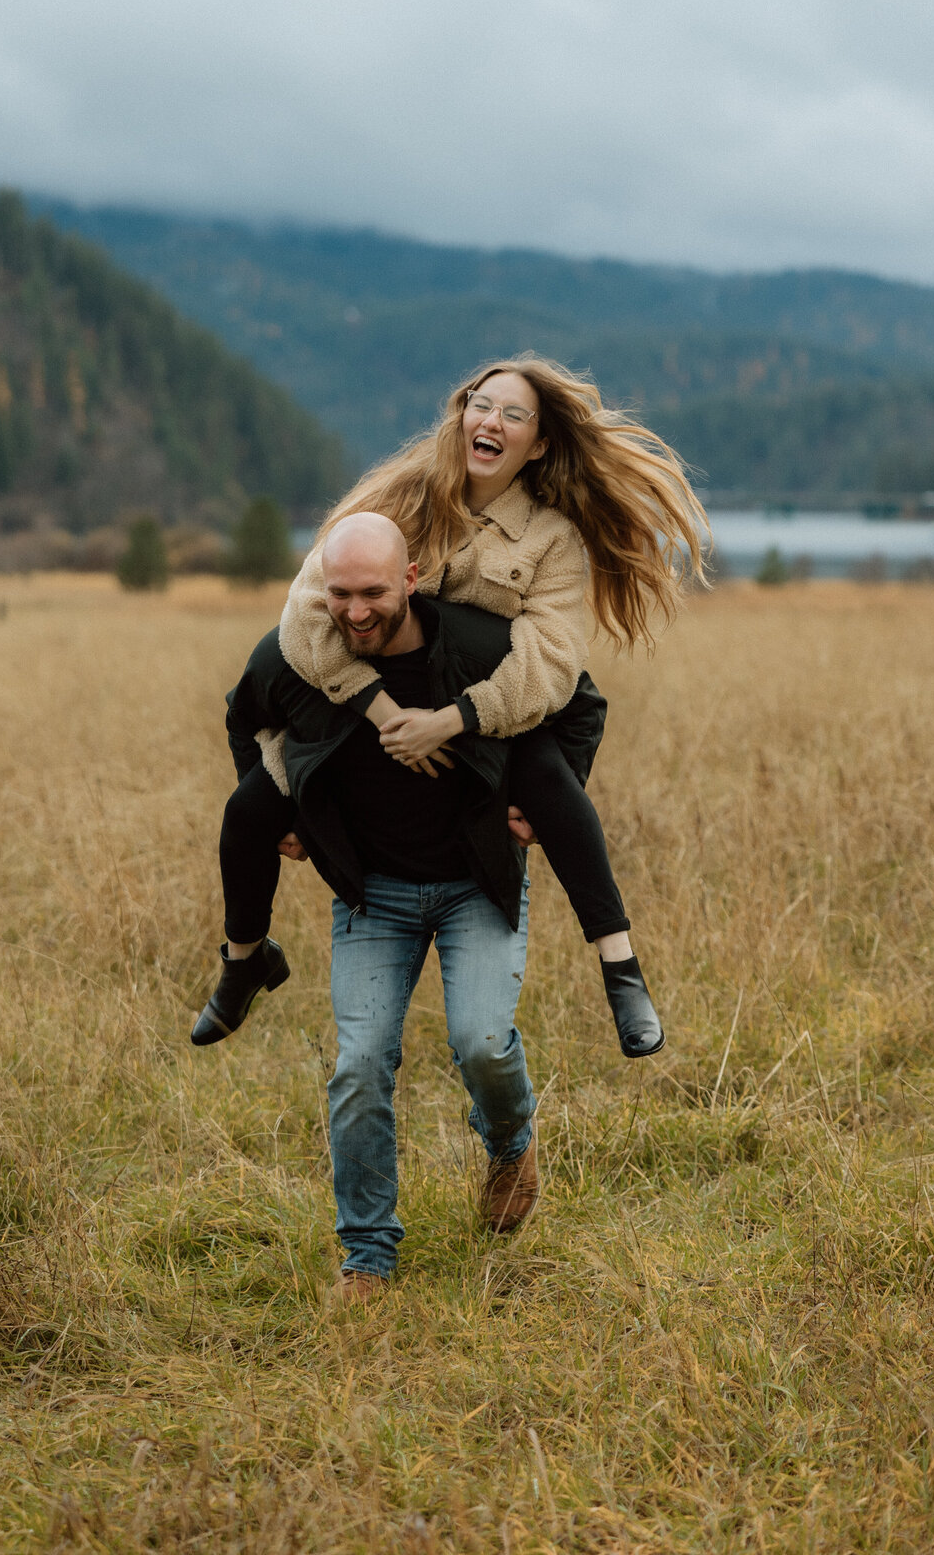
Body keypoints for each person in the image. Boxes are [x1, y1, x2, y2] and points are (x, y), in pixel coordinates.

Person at [197, 513, 606, 1297]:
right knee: (359, 1065)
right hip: (372, 896)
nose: (356, 612)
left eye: (374, 593)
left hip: (474, 886)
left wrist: (553, 802)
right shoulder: (301, 654)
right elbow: (242, 715)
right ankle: (368, 1255)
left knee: (482, 1042)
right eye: (340, 593)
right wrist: (277, 805)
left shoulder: (475, 644)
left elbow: (578, 704)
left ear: (410, 580)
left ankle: (510, 1140)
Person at [271, 355, 708, 1056]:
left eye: (513, 415)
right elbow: (304, 614)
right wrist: (381, 711)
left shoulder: (552, 539)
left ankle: (620, 965)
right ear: (462, 413)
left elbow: (552, 665)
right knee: (274, 678)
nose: (491, 421)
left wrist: (454, 720)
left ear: (537, 443)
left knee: (544, 772)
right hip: (388, 701)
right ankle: (246, 945)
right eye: (481, 404)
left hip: (490, 716)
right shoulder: (401, 498)